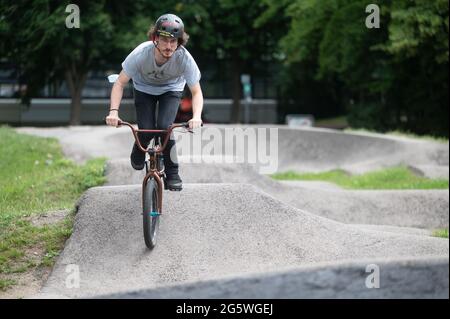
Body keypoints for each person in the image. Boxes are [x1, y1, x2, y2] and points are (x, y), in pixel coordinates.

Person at [105, 13, 203, 191]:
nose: (169, 46)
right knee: (147, 129)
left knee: (165, 127)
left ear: (179, 42)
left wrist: (196, 116)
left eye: (174, 41)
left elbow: (196, 92)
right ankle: (139, 147)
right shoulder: (141, 54)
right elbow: (119, 82)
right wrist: (113, 112)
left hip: (171, 90)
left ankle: (173, 173)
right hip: (144, 89)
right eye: (165, 40)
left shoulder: (184, 58)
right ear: (155, 38)